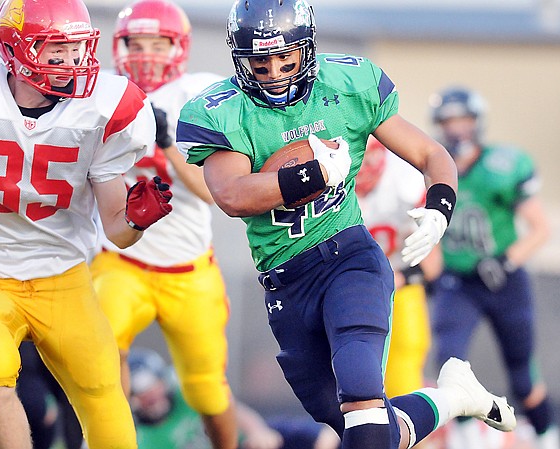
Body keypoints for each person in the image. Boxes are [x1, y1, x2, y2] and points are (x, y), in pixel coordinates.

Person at [175, 1, 517, 449]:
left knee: (361, 394)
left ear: (307, 48)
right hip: (285, 281)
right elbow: (233, 196)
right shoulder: (223, 110)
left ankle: (448, 397)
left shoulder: (348, 83)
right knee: (363, 430)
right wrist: (315, 173)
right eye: (261, 62)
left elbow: (432, 155)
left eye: (286, 58)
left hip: (348, 259)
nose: (276, 72)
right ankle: (453, 397)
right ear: (240, 59)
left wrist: (440, 206)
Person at [0, 0, 174, 447]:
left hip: (63, 277)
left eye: (77, 51)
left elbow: (116, 230)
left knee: (103, 392)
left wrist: (135, 220)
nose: (72, 64)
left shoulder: (106, 108)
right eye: (56, 52)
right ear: (14, 51)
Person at [90, 1, 237, 448]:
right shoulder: (102, 94)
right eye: (138, 43)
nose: (147, 53)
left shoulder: (201, 96)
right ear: (120, 47)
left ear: (179, 48)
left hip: (188, 271)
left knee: (206, 389)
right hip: (121, 262)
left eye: (159, 43)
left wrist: (168, 143)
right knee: (100, 354)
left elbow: (216, 193)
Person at [427, 86, 558, 449]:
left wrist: (505, 261)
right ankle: (467, 440)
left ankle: (546, 437)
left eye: (463, 120)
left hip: (504, 280)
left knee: (522, 375)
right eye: (449, 121)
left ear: (477, 123)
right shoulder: (433, 168)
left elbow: (540, 228)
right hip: (458, 281)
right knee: (450, 362)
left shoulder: (503, 165)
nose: (456, 129)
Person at [354, 136, 442, 399]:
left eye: (368, 157)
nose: (363, 166)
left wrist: (400, 277)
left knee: (403, 378)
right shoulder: (332, 190)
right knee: (353, 379)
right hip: (352, 289)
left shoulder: (405, 183)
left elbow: (433, 264)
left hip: (400, 285)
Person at [127, 346, 342, 449]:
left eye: (152, 385)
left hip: (245, 444)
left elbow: (233, 411)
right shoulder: (144, 441)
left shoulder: (186, 394)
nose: (150, 395)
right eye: (141, 392)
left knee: (324, 438)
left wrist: (258, 432)